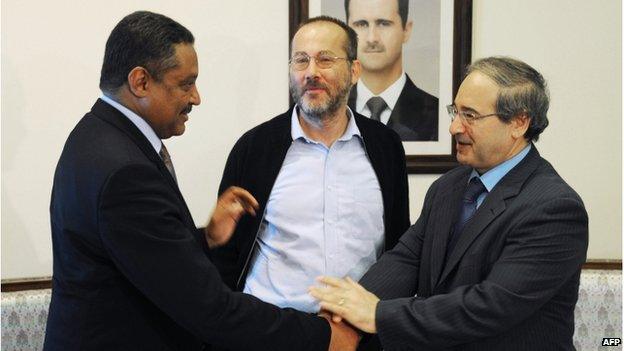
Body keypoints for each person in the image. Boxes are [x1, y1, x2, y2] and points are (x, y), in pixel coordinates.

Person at [44, 11, 358, 351]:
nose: (196, 97)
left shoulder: (95, 135)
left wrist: (204, 239)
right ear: (140, 82)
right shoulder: (125, 172)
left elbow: (144, 257)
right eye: (185, 84)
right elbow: (211, 309)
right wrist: (323, 337)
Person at [311, 56, 589, 350]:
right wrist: (343, 312)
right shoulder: (449, 186)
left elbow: (491, 306)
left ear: (519, 123)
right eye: (455, 112)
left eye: (470, 115)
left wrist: (378, 315)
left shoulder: (554, 208)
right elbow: (407, 259)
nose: (454, 127)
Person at [212, 14, 409, 326]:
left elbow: (400, 247)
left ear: (354, 70)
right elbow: (225, 250)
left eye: (325, 59)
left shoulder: (386, 147)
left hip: (358, 333)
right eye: (301, 60)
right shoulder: (254, 148)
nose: (311, 73)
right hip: (271, 330)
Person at [345, 0, 438, 141]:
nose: (372, 38)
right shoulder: (331, 111)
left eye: (383, 23)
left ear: (406, 30)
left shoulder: (436, 115)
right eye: (361, 24)